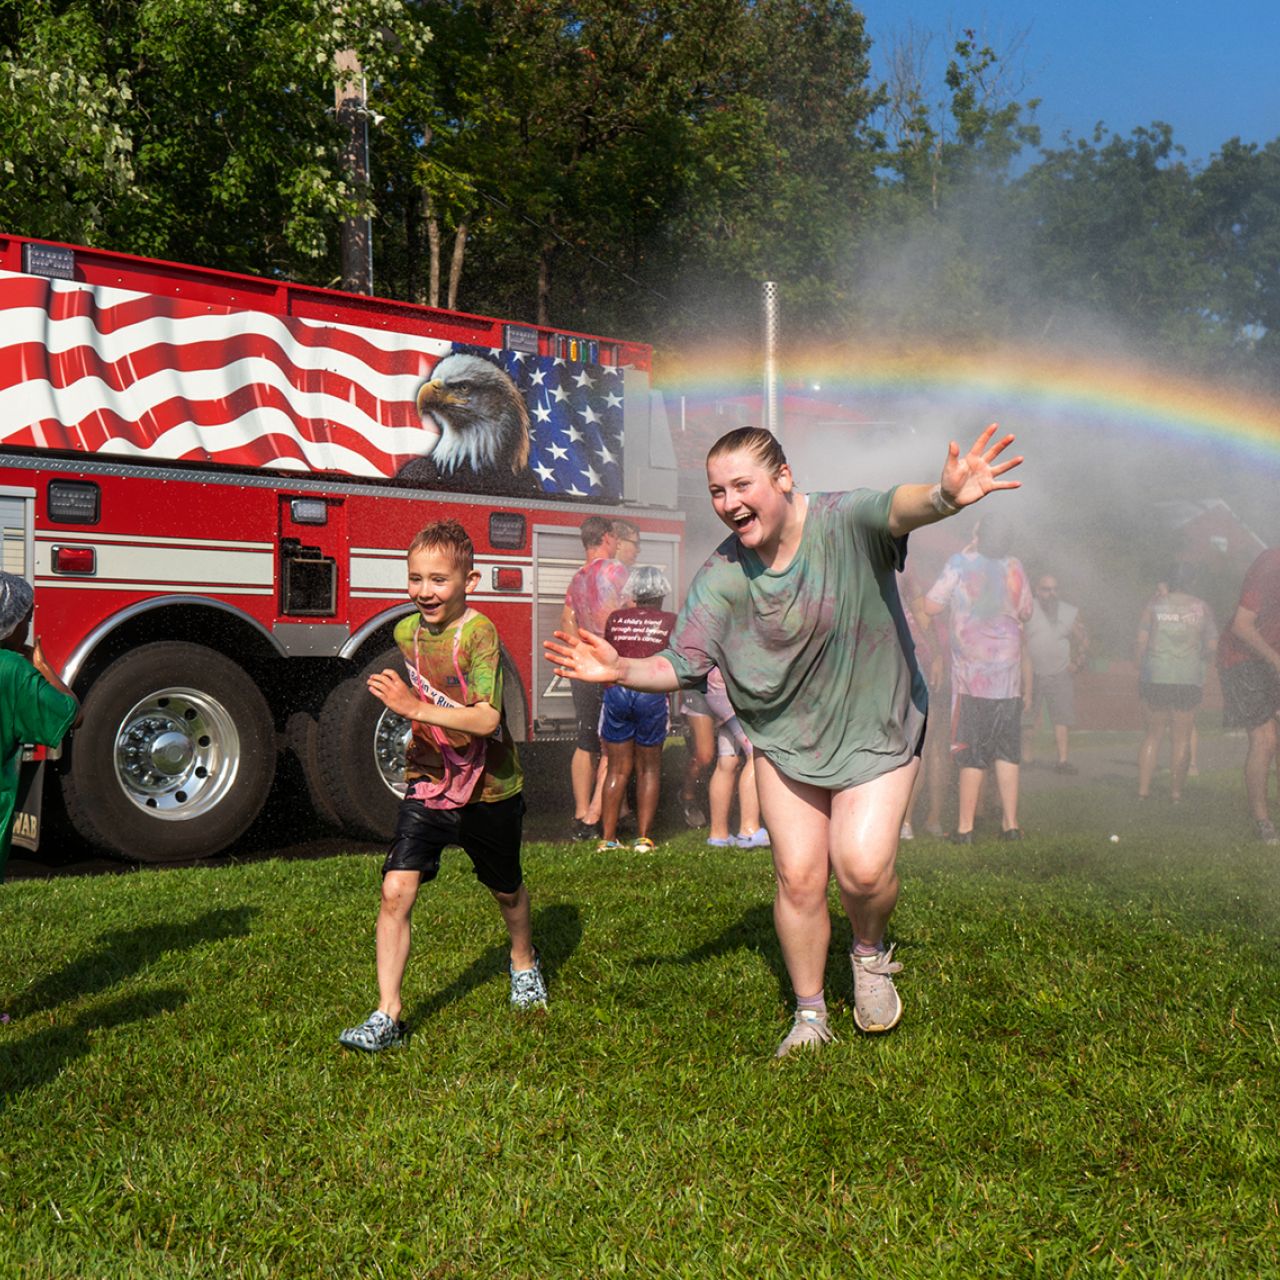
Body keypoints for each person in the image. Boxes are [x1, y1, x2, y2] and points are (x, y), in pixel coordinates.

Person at [546, 423, 1022, 1056]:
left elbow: (895, 507)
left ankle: (870, 950)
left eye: (742, 485)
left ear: (783, 478)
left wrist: (944, 497)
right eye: (716, 490)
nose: (729, 501)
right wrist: (623, 670)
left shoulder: (842, 520)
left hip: (876, 722)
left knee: (861, 869)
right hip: (785, 735)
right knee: (798, 877)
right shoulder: (722, 573)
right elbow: (684, 662)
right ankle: (809, 1014)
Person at [340, 519, 545, 1052]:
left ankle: (523, 961)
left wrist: (411, 707)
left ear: (469, 581)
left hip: (489, 787)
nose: (424, 592)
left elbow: (486, 720)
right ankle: (388, 1014)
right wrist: (422, 730)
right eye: (415, 579)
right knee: (394, 890)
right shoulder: (406, 633)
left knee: (505, 888)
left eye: (438, 580)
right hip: (429, 779)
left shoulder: (479, 634)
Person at [924, 514, 1033, 843]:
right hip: (1008, 678)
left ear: (979, 535)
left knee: (971, 751)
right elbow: (1026, 610)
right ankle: (1010, 826)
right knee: (1006, 751)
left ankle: (965, 829)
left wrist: (966, 553)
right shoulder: (1015, 566)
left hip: (972, 678)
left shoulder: (960, 563)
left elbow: (930, 606)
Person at [0, 573, 80, 881]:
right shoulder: (15, 671)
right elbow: (73, 715)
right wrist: (43, 667)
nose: (28, 627)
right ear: (13, 622)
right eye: (26, 619)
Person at [597, 565, 677, 853]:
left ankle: (607, 839)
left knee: (617, 768)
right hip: (651, 692)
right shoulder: (670, 621)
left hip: (616, 692)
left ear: (634, 593)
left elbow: (608, 654)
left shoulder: (615, 618)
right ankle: (643, 838)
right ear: (661, 594)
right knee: (649, 769)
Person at [560, 515, 630, 840]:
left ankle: (579, 811)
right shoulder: (615, 571)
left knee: (585, 740)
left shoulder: (577, 578)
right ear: (606, 536)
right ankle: (592, 819)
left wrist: (579, 657)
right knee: (612, 744)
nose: (617, 544)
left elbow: (568, 621)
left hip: (582, 665)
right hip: (607, 666)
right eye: (615, 537)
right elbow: (628, 613)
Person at [1135, 565, 1215, 804]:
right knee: (1181, 738)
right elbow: (1212, 645)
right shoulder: (1202, 607)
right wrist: (1198, 659)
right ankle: (1176, 795)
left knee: (1152, 736)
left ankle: (1142, 793)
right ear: (1192, 582)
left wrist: (1140, 668)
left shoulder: (1154, 605)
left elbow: (1141, 641)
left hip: (1156, 675)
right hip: (1187, 678)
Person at [1217, 547, 1280, 844]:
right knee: (1265, 738)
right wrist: (1276, 661)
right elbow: (1242, 626)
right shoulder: (1271, 563)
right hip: (1241, 656)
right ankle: (1262, 822)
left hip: (1272, 656)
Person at [1022, 575, 1088, 773]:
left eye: (1054, 589)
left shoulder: (1069, 612)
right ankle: (1027, 759)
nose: (1051, 594)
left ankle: (1062, 761)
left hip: (1060, 672)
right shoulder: (1026, 609)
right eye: (1046, 589)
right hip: (1031, 673)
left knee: (1062, 719)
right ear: (1037, 590)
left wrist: (1078, 662)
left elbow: (1084, 639)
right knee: (1027, 718)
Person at [703, 666, 768, 849]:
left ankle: (718, 835)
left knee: (727, 760)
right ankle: (749, 830)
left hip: (715, 688)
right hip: (731, 688)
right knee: (757, 754)